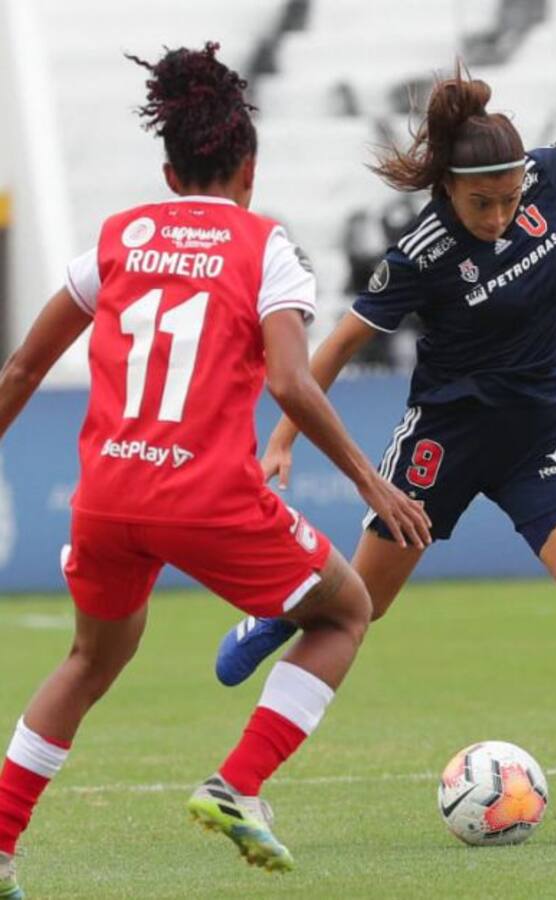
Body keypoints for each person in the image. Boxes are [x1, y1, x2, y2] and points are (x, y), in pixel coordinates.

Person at [212, 62, 556, 841]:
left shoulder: (541, 177)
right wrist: (285, 434)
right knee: (360, 606)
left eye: (508, 199)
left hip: (542, 437)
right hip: (445, 446)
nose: (500, 213)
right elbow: (337, 344)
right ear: (446, 191)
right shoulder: (420, 254)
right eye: (481, 203)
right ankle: (281, 613)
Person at [0, 44, 431, 895]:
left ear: (169, 170)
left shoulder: (118, 238)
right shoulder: (266, 247)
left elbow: (20, 370)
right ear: (250, 168)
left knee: (90, 662)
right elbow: (288, 380)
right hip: (206, 495)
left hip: (108, 493)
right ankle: (239, 782)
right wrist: (369, 482)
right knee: (345, 610)